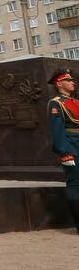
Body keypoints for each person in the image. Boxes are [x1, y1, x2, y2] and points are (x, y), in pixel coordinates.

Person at [47, 68, 79, 232]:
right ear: (59, 83)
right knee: (75, 184)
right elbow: (57, 130)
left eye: (72, 80)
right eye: (68, 80)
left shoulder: (76, 101)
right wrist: (64, 152)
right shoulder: (56, 103)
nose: (73, 82)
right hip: (71, 147)